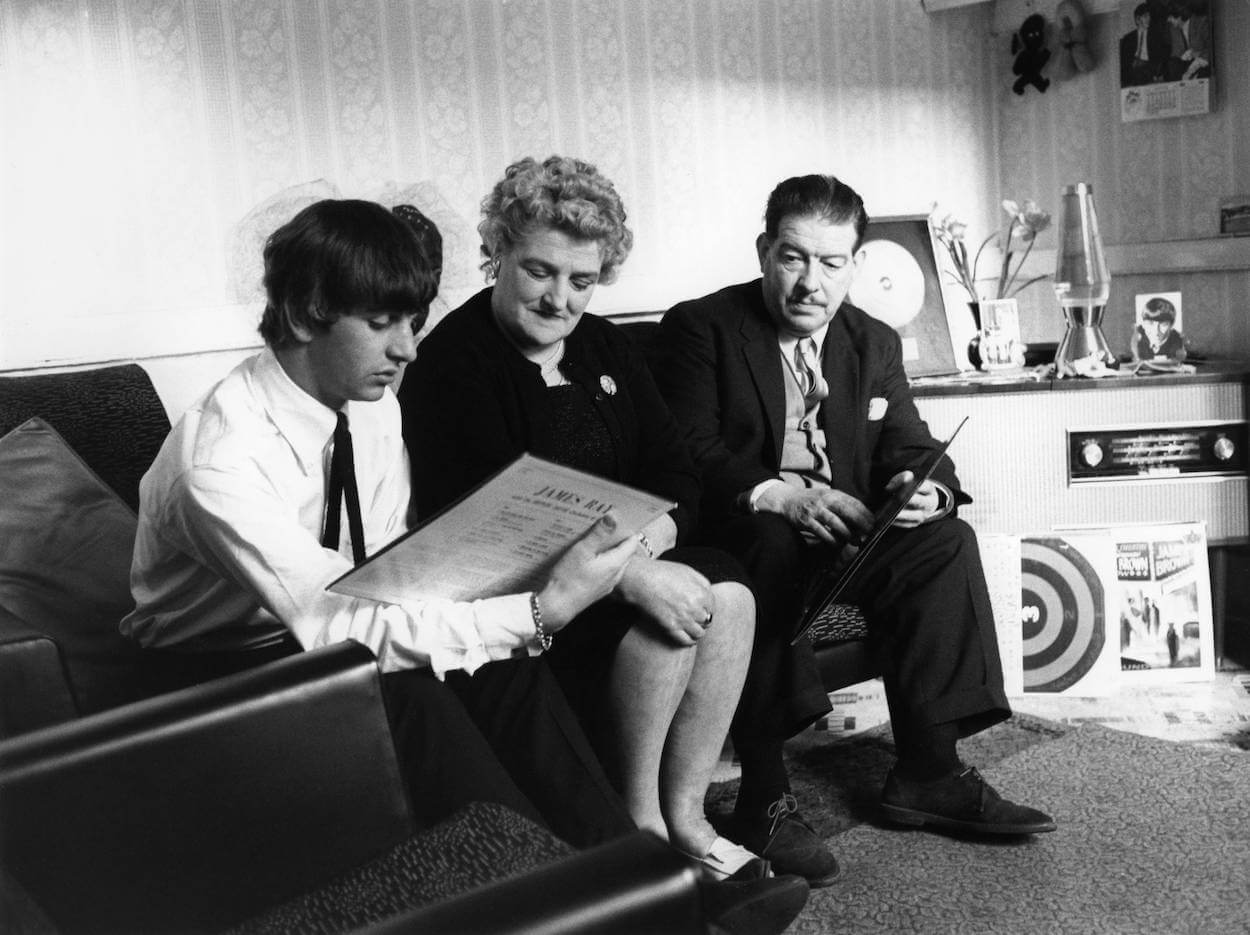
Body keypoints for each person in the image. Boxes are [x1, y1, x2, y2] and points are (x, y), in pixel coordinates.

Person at [398, 155, 806, 903]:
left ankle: (688, 818)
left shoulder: (607, 346)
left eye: (581, 281)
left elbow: (677, 472)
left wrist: (649, 545)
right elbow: (487, 524)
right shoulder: (451, 363)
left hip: (621, 560)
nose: (559, 299)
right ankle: (641, 826)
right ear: (499, 252)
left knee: (733, 594)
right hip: (526, 595)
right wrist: (631, 574)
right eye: (539, 272)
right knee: (665, 623)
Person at [656, 174, 1056, 884]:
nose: (812, 281)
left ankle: (929, 771)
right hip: (746, 536)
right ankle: (763, 797)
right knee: (770, 542)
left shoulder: (869, 339)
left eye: (832, 262)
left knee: (944, 540)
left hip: (844, 538)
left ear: (854, 264)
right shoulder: (701, 328)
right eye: (793, 257)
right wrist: (778, 495)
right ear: (763, 251)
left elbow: (907, 439)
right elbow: (688, 451)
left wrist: (923, 489)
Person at [1119, 3, 1166, 87]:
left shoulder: (1156, 35)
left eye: (1149, 16)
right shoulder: (1128, 38)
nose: (1149, 19)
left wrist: (1157, 72)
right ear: (1137, 19)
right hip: (1133, 66)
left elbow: (1160, 57)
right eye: (1145, 16)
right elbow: (1124, 60)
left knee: (1139, 73)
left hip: (1148, 66)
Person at [1132, 296, 1186, 361]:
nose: (1155, 331)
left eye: (1163, 324)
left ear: (1171, 326)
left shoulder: (1177, 340)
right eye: (1150, 323)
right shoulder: (1138, 336)